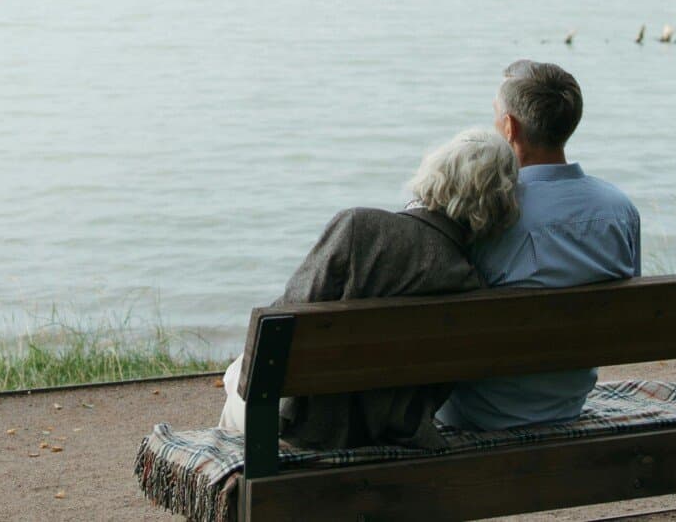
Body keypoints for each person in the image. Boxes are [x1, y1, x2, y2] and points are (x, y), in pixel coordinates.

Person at [216, 128, 519, 449]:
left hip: (304, 427)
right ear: (499, 203)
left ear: (436, 172)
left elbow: (283, 318)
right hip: (390, 434)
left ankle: (235, 475)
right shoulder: (471, 285)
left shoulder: (360, 229)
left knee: (237, 374)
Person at [435, 59, 642, 431]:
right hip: (567, 402)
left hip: (477, 413)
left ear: (509, 128)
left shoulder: (485, 212)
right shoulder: (619, 210)